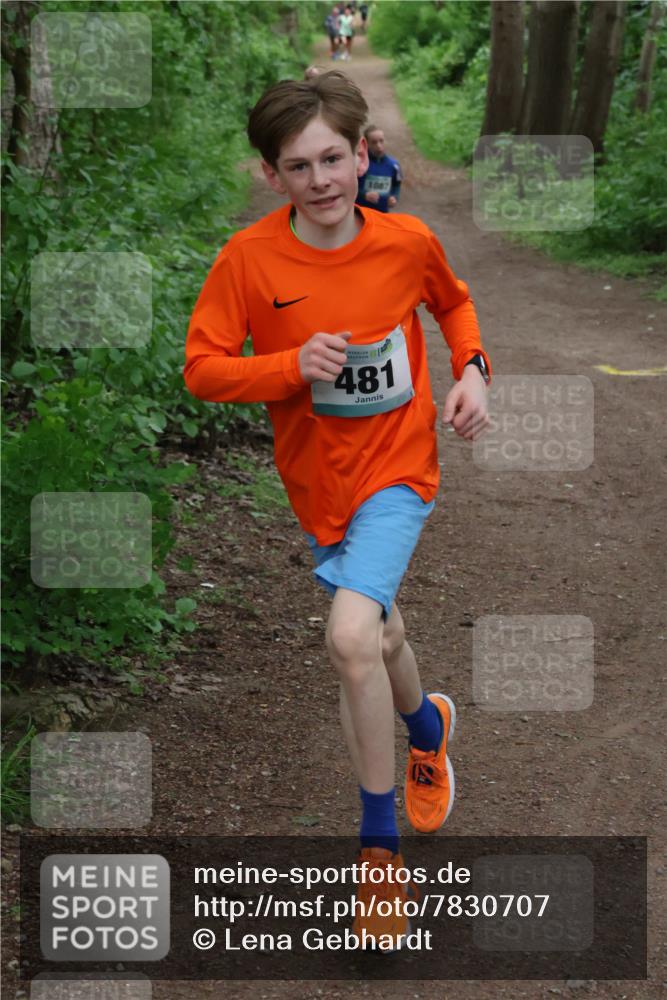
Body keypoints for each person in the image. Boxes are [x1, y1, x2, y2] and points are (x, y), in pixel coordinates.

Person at [184, 71, 492, 952]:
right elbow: (203, 369)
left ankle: (376, 852)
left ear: (361, 155)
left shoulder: (405, 241)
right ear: (271, 174)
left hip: (399, 470)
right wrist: (289, 366)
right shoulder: (247, 261)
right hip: (318, 484)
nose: (320, 180)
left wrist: (471, 373)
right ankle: (428, 727)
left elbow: (454, 305)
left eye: (332, 158)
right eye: (297, 165)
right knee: (383, 632)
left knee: (351, 636)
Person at [356, 124, 402, 213]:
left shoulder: (394, 165)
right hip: (360, 213)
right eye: (374, 142)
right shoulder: (358, 164)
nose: (379, 145)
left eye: (381, 141)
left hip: (382, 214)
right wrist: (364, 195)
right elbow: (348, 188)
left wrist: (394, 197)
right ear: (366, 144)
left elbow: (397, 184)